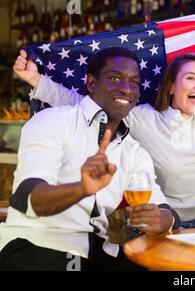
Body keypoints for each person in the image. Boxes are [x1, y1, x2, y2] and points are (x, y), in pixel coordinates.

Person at [13, 7, 195, 229]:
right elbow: (84, 103)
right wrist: (36, 80)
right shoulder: (144, 118)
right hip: (155, 223)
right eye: (190, 78)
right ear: (171, 86)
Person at [0, 47, 177, 271]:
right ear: (92, 83)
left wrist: (160, 220)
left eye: (134, 82)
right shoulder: (53, 122)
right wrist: (82, 188)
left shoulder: (134, 152)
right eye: (115, 78)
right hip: (36, 245)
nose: (126, 89)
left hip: (97, 252)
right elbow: (27, 199)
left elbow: (164, 210)